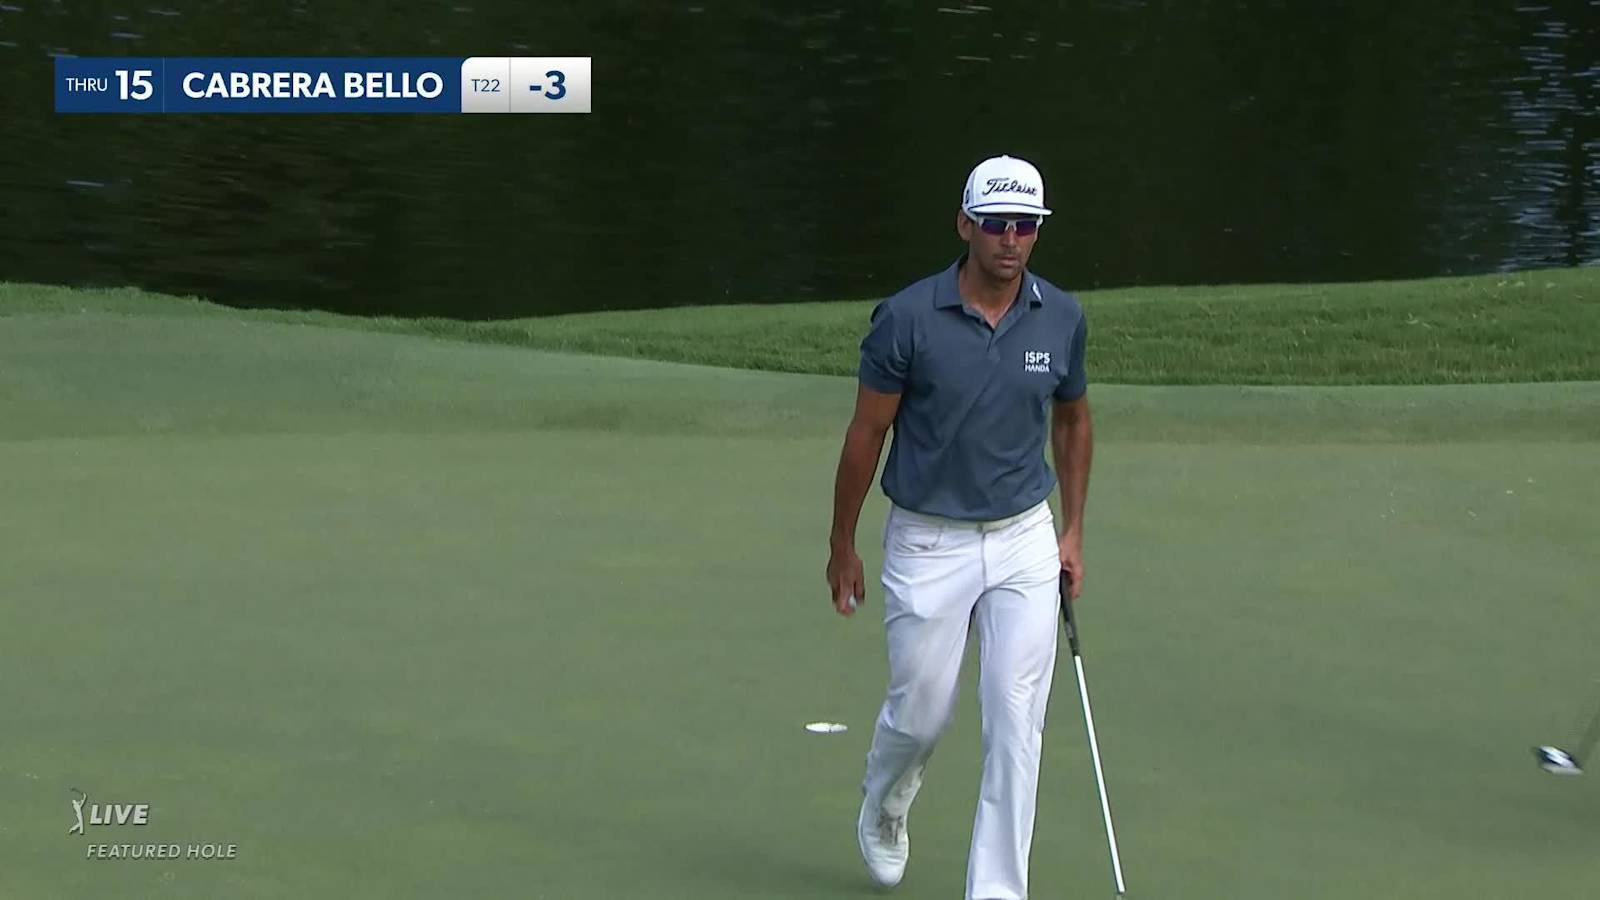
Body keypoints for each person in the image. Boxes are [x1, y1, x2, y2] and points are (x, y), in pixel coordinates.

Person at [824, 154, 1093, 900]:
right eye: (998, 224)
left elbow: (1073, 421)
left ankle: (997, 890)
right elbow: (865, 434)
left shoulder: (1061, 317)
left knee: (1015, 720)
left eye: (1026, 225)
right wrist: (842, 544)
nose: (1012, 239)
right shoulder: (907, 318)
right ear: (965, 226)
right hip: (927, 540)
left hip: (1022, 538)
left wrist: (1071, 531)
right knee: (921, 714)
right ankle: (885, 805)